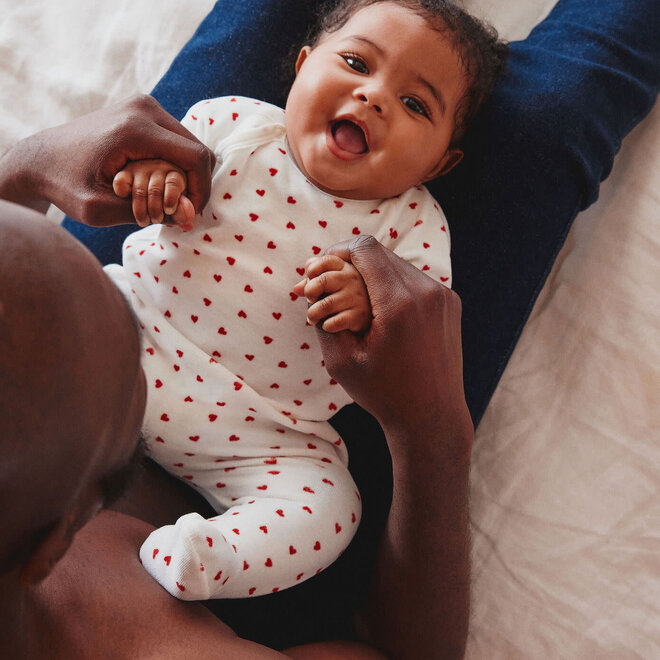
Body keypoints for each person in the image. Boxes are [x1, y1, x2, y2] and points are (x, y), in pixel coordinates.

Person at [0, 96, 471, 658]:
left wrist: (26, 166)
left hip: (174, 292)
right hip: (268, 441)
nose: (373, 97)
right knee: (329, 504)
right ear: (56, 541)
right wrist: (434, 431)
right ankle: (216, 554)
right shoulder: (152, 638)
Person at [103, 0, 505, 601]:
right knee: (59, 296)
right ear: (301, 64)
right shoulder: (231, 123)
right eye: (354, 62)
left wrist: (367, 303)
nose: (373, 97)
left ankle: (211, 556)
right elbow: (156, 169)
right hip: (131, 334)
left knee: (332, 508)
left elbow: (412, 328)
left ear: (440, 162)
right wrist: (152, 181)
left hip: (262, 430)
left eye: (416, 104)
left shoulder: (416, 228)